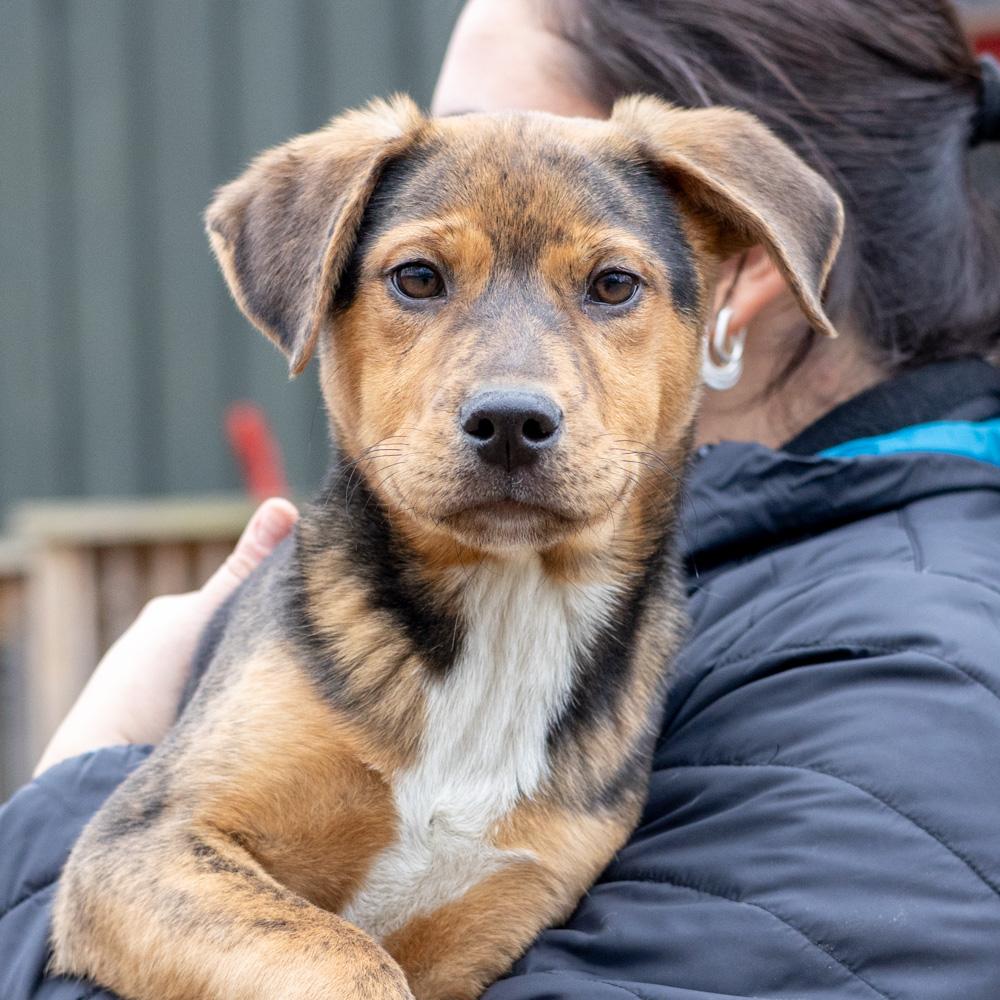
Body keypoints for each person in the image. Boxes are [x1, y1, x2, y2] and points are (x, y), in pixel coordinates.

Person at [4, 0, 1000, 996]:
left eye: (607, 284)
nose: (510, 389)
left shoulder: (897, 678)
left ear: (737, 261)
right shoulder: (753, 577)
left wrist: (88, 762)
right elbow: (130, 876)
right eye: (422, 277)